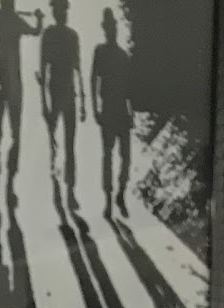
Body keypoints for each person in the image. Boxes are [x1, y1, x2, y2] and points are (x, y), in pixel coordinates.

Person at [0, 0, 43, 194]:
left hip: (3, 80)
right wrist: (39, 19)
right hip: (13, 82)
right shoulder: (14, 20)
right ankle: (8, 175)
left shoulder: (1, 17)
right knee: (14, 130)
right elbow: (36, 31)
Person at [39, 0, 84, 205]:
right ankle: (55, 175)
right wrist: (44, 103)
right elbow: (43, 70)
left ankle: (71, 190)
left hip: (68, 94)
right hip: (55, 92)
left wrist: (82, 100)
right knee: (54, 141)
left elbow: (78, 69)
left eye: (64, 9)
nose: (62, 13)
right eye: (59, 9)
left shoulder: (72, 36)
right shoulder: (49, 35)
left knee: (70, 144)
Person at [91, 6, 133, 218]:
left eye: (113, 27)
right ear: (105, 29)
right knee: (107, 156)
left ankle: (121, 195)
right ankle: (108, 200)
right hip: (108, 109)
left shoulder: (122, 56)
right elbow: (94, 80)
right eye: (108, 27)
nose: (111, 31)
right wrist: (94, 108)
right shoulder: (100, 52)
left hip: (121, 110)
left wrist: (131, 112)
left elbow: (129, 88)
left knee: (126, 157)